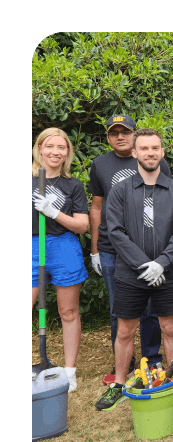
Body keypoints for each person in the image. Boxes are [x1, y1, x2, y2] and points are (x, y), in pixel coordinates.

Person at [95, 129, 173, 411]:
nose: (150, 153)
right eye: (145, 148)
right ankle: (120, 384)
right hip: (130, 272)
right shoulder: (120, 191)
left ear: (162, 152)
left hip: (168, 271)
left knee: (169, 327)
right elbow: (115, 231)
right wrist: (142, 264)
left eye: (155, 148)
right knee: (125, 330)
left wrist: (162, 262)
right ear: (135, 153)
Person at [88, 115, 172, 385]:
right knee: (121, 310)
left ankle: (151, 358)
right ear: (109, 137)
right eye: (115, 133)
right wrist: (95, 249)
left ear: (135, 137)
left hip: (155, 251)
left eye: (126, 132)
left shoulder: (159, 163)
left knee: (151, 309)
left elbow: (166, 206)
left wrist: (162, 258)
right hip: (115, 250)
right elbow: (97, 208)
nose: (120, 137)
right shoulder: (100, 165)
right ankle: (123, 364)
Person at [32, 128, 89, 393]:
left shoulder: (72, 185)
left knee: (68, 311)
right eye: (50, 146)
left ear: (68, 153)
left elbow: (82, 226)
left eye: (62, 147)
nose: (56, 152)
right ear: (40, 149)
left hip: (64, 246)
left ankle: (69, 372)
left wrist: (54, 212)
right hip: (30, 245)